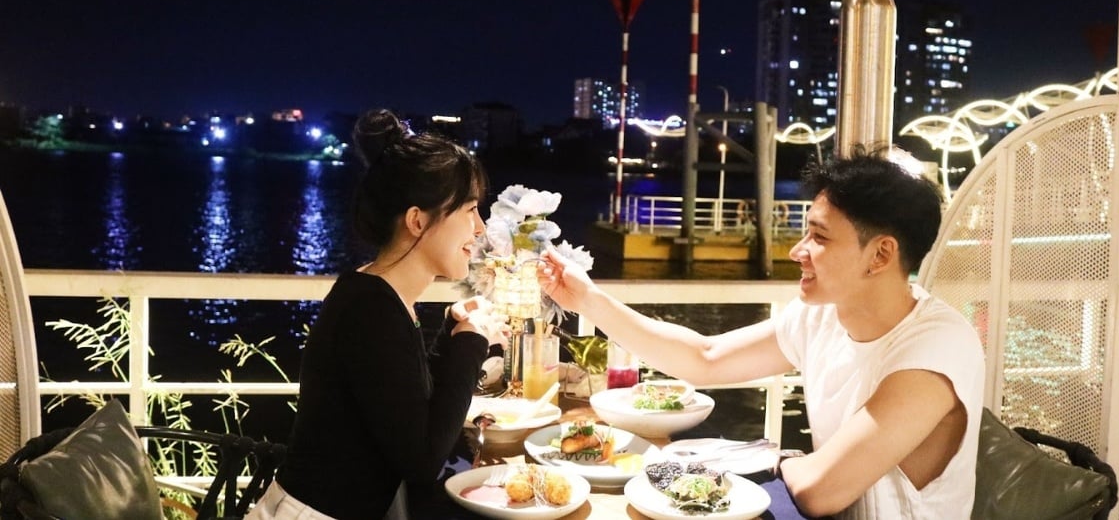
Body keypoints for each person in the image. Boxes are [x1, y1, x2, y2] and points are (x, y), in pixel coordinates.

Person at [538, 145, 985, 519]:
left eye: (820, 237)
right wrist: (587, 300)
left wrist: (781, 458)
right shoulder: (823, 316)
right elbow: (706, 358)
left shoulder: (936, 347)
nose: (797, 250)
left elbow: (821, 490)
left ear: (881, 255)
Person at [252, 109, 509, 520]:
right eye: (469, 210)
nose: (479, 228)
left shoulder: (376, 293)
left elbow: (404, 407)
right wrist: (472, 341)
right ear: (417, 220)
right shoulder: (370, 310)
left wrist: (453, 333)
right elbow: (422, 459)